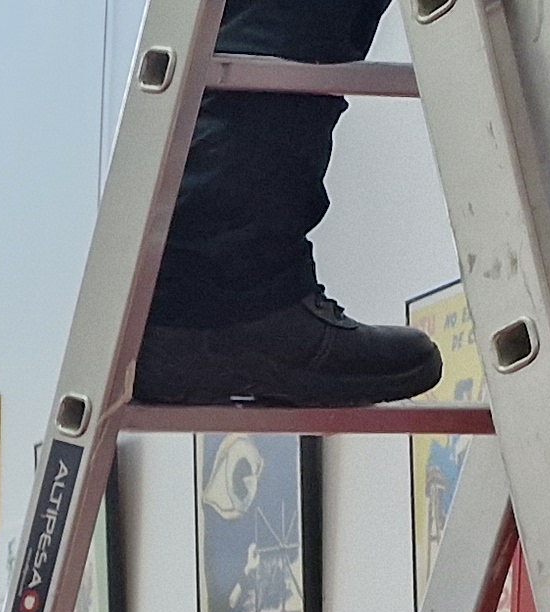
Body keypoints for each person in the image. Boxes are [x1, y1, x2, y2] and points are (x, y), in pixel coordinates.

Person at [140, 1, 447, 406]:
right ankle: (232, 299)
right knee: (291, 26)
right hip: (233, 296)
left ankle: (213, 304)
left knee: (291, 32)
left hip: (201, 296)